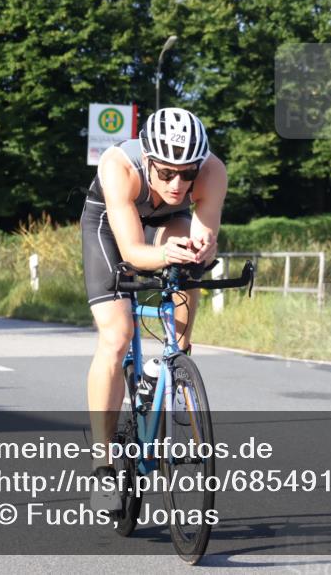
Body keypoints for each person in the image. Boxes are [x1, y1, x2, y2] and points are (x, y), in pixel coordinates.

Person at [80, 107, 226, 511]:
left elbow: (204, 228)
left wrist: (202, 247)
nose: (178, 183)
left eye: (187, 173)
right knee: (117, 335)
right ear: (148, 161)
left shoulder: (213, 171)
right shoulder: (118, 167)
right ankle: (103, 464)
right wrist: (163, 253)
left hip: (168, 223)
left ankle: (175, 365)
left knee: (188, 265)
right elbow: (133, 251)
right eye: (165, 173)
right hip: (110, 228)